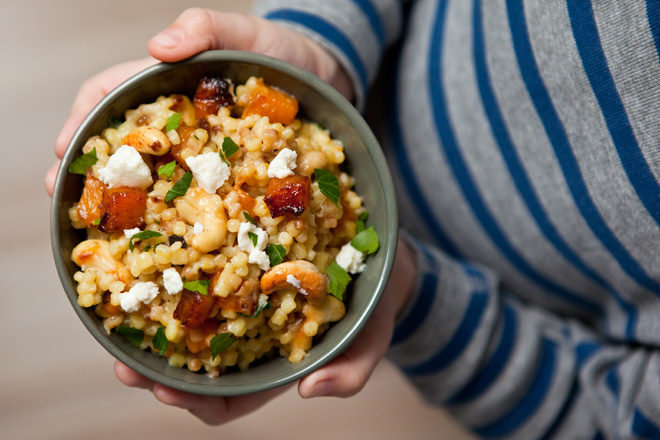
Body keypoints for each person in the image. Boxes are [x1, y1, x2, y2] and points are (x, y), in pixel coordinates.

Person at [45, 1, 660, 438]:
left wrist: (418, 301)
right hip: (362, 80)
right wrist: (323, 39)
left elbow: (613, 420)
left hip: (420, 275)